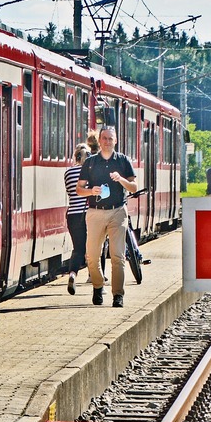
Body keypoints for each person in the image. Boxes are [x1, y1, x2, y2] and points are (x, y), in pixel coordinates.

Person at [76, 125, 138, 308]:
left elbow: (133, 188)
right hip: (95, 212)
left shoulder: (123, 161)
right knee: (92, 257)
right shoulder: (90, 163)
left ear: (116, 141)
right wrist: (90, 191)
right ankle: (97, 286)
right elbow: (79, 189)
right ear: (99, 141)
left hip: (118, 211)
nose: (107, 142)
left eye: (111, 139)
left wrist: (121, 180)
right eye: (104, 138)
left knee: (118, 256)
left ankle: (118, 295)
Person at [64, 145, 92, 295]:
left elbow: (70, 192)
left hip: (72, 215)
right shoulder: (89, 172)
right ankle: (94, 277)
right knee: (95, 248)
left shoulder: (68, 172)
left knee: (78, 249)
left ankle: (72, 274)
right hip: (88, 214)